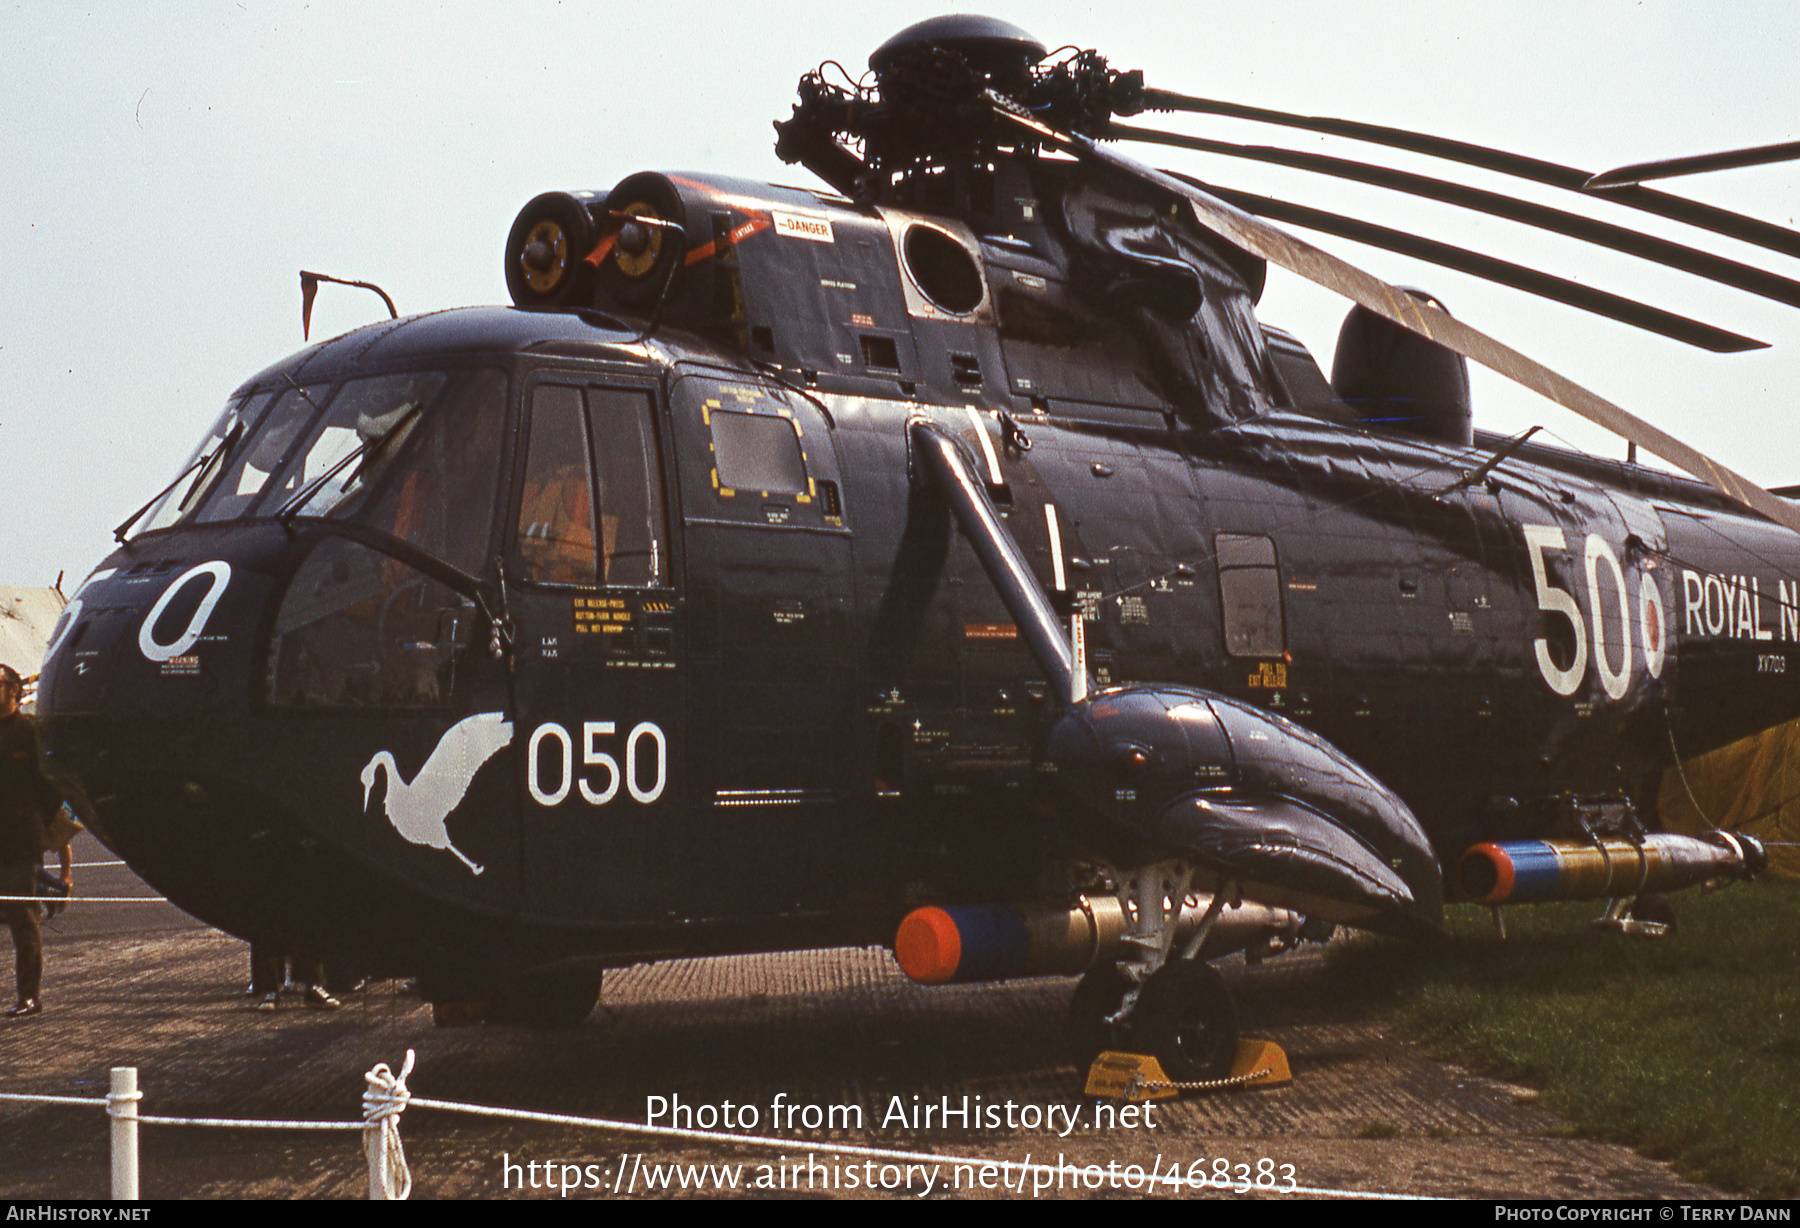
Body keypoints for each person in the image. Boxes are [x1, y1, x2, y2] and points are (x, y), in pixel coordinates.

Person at [1, 664, 69, 1019]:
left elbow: (50, 783)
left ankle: (29, 996)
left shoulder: (29, 733)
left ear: (14, 690)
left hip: (18, 841)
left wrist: (35, 819)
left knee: (22, 916)